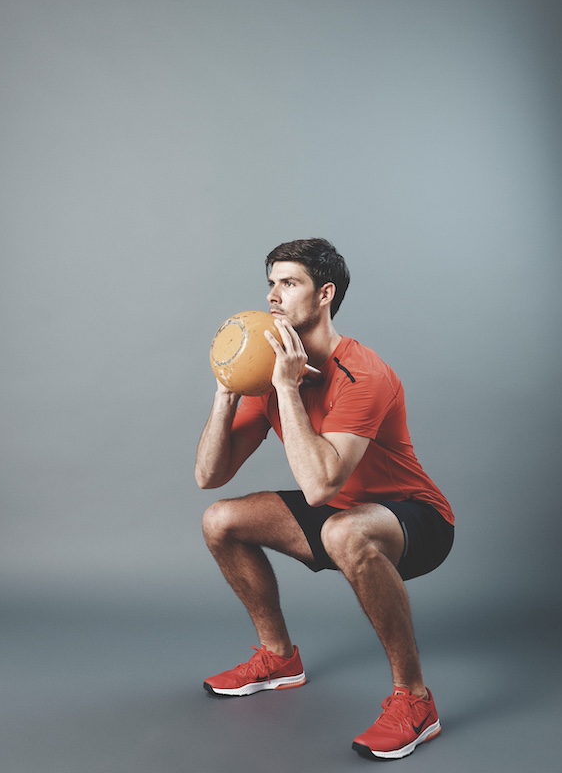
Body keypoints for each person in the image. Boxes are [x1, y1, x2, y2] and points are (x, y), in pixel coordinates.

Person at [195, 238, 454, 760]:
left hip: (414, 518)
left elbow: (320, 488)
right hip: (342, 510)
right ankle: (279, 659)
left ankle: (415, 701)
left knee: (342, 529)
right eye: (270, 283)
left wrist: (287, 390)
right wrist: (226, 393)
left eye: (289, 283)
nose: (273, 296)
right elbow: (209, 475)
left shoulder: (364, 374)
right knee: (219, 519)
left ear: (324, 295)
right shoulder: (268, 374)